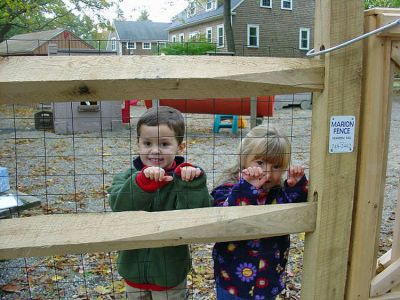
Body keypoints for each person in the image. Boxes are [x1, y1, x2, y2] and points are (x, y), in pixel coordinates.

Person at [108, 106, 212, 300]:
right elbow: (118, 206)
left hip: (169, 273)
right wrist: (140, 183)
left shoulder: (185, 179)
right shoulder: (127, 177)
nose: (154, 150)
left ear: (180, 147)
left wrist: (192, 186)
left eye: (164, 144)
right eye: (147, 143)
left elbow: (197, 218)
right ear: (138, 144)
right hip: (133, 270)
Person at [212, 125, 308, 300]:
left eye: (277, 166)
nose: (268, 173)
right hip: (232, 277)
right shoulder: (227, 188)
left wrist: (296, 186)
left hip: (268, 279)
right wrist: (247, 187)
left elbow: (295, 209)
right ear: (244, 158)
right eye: (260, 163)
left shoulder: (278, 193)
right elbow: (224, 216)